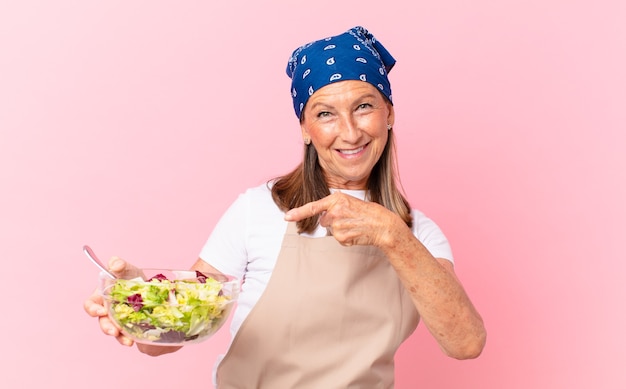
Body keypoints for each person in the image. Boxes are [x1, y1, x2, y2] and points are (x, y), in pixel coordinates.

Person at [84, 25, 486, 388]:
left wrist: (391, 234)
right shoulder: (257, 210)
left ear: (389, 114)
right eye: (325, 114)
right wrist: (140, 304)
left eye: (364, 106)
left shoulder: (418, 234)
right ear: (305, 130)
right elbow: (173, 336)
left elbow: (465, 343)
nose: (349, 132)